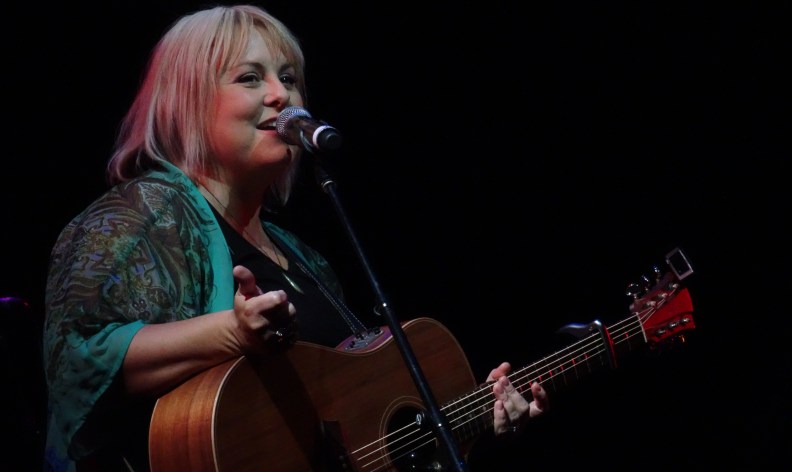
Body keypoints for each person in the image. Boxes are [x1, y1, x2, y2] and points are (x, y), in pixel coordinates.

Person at [42, 4, 549, 471]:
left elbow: (352, 433)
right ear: (187, 102)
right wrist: (230, 332)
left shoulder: (306, 260)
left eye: (288, 78)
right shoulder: (142, 215)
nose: (281, 95)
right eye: (249, 77)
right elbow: (77, 358)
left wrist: (472, 420)